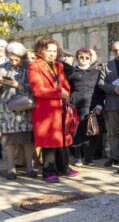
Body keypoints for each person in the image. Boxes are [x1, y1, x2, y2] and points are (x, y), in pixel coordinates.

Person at [28, 37, 78, 183]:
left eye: (54, 51)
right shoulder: (34, 65)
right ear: (40, 50)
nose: (52, 53)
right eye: (48, 51)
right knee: (49, 141)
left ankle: (64, 168)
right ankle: (49, 171)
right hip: (46, 110)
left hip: (61, 107)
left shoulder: (58, 65)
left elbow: (64, 83)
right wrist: (58, 93)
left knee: (63, 137)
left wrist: (65, 92)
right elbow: (38, 90)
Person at [0, 42, 36, 180]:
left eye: (17, 59)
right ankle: (11, 169)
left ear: (23, 56)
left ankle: (30, 168)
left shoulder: (30, 68)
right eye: (11, 59)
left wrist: (18, 85)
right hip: (6, 110)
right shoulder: (2, 68)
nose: (14, 62)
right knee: (9, 141)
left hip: (25, 110)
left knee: (27, 141)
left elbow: (35, 89)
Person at [68, 48, 103, 166]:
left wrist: (99, 105)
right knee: (76, 133)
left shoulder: (96, 73)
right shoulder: (71, 72)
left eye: (87, 58)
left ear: (90, 59)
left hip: (91, 107)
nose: (84, 60)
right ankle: (77, 157)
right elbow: (67, 89)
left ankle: (89, 158)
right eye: (81, 57)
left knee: (91, 132)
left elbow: (100, 91)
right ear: (77, 58)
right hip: (75, 107)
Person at [98, 41, 119, 167]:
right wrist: (113, 89)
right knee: (113, 132)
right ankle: (114, 157)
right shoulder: (107, 66)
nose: (118, 52)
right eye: (115, 50)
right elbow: (101, 83)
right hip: (112, 103)